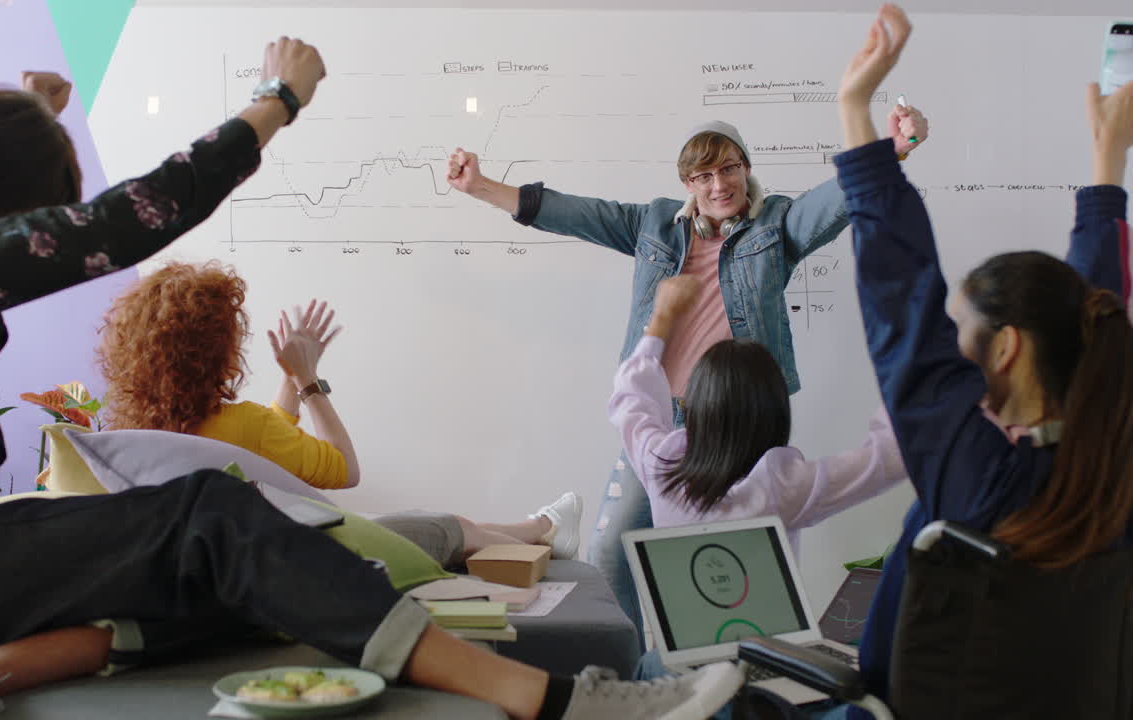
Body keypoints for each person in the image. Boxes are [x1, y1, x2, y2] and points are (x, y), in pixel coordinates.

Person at [0, 40, 716, 720]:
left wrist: (27, 119)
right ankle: (552, 701)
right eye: (6, 239)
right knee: (216, 516)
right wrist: (278, 100)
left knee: (233, 574)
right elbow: (118, 225)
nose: (14, 265)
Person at [719, 6, 1133, 718]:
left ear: (1007, 348)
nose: (950, 342)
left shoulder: (980, 473)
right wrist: (1106, 167)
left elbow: (900, 296)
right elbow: (1090, 317)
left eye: (961, 329)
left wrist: (855, 110)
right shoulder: (1110, 466)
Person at [445, 87, 929, 637]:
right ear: (687, 185)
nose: (719, 185)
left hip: (740, 422)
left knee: (738, 562)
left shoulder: (776, 227)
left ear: (746, 169)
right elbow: (571, 212)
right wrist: (480, 186)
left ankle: (744, 658)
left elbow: (836, 198)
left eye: (729, 169)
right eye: (703, 176)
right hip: (664, 422)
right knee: (610, 551)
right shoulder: (654, 225)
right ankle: (631, 665)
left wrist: (894, 148)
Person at [94, 260, 583, 566]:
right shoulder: (243, 424)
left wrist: (290, 376)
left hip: (236, 563)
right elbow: (345, 470)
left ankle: (542, 528)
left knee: (439, 523)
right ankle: (543, 530)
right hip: (303, 561)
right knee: (449, 526)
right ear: (218, 350)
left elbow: (269, 448)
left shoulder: (129, 434)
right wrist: (308, 381)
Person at [612, 274, 907, 679]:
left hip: (682, 671)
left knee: (647, 666)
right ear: (776, 414)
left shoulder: (663, 467)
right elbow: (886, 457)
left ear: (694, 406)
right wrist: (907, 358)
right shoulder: (784, 488)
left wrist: (662, 318)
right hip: (762, 672)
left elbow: (632, 399)